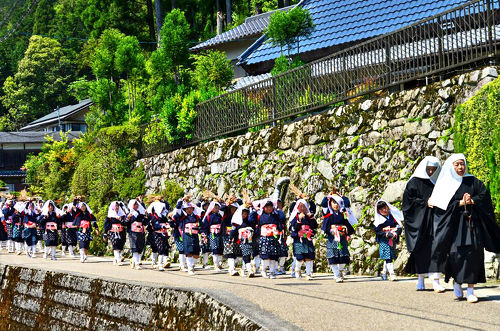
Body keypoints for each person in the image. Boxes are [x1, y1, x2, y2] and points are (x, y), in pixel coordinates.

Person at [428, 154, 500, 303]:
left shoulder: (473, 181)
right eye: (457, 164)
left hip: (472, 224)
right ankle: (457, 281)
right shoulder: (446, 184)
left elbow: (484, 196)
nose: (461, 167)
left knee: (474, 254)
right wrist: (459, 203)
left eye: (462, 164)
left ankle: (471, 290)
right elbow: (441, 208)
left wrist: (472, 200)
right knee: (456, 255)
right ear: (451, 166)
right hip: (454, 227)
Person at [402, 156, 444, 291]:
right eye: (428, 169)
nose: (431, 172)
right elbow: (408, 204)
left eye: (434, 169)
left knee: (437, 249)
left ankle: (436, 280)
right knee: (421, 250)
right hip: (420, 223)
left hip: (436, 221)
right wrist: (425, 202)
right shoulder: (414, 183)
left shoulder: (439, 182)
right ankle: (420, 278)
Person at [321, 195, 355, 282]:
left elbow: (347, 224)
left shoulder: (342, 215)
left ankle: (340, 271)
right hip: (333, 239)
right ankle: (336, 275)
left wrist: (346, 232)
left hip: (342, 238)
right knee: (333, 257)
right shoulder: (328, 215)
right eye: (334, 203)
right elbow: (326, 228)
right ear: (330, 204)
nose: (336, 205)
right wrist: (332, 231)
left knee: (343, 257)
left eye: (338, 203)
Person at [250, 199, 285, 279]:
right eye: (267, 207)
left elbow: (282, 219)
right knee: (265, 256)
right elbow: (251, 220)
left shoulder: (275, 215)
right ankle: (264, 270)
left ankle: (272, 272)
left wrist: (278, 209)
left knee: (273, 256)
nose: (269, 208)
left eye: (270, 207)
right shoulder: (260, 215)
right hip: (264, 238)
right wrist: (254, 211)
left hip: (273, 237)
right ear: (264, 207)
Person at [373, 200, 403, 281]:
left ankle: (383, 273)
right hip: (384, 240)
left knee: (390, 255)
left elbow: (399, 227)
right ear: (378, 211)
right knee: (388, 255)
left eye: (385, 207)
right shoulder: (378, 220)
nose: (384, 210)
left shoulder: (393, 217)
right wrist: (385, 233)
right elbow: (377, 231)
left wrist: (396, 233)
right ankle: (392, 274)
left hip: (392, 239)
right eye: (381, 209)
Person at [289, 199, 317, 280]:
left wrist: (311, 217)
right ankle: (297, 270)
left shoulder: (309, 216)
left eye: (304, 206)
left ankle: (308, 274)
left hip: (307, 239)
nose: (302, 208)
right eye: (300, 206)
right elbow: (293, 227)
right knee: (300, 257)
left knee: (309, 256)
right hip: (299, 239)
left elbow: (315, 226)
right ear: (297, 207)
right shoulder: (295, 216)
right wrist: (299, 220)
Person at [174, 198, 202, 275]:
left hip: (195, 235)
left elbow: (201, 226)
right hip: (186, 235)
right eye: (187, 209)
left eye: (190, 208)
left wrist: (202, 232)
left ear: (193, 209)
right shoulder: (182, 217)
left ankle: (192, 265)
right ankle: (190, 268)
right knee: (189, 251)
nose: (189, 210)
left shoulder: (196, 217)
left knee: (196, 254)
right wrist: (181, 201)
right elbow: (178, 209)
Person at [231, 204, 256, 277]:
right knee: (245, 254)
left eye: (246, 214)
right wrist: (231, 238)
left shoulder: (249, 221)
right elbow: (233, 231)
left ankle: (243, 269)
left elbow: (253, 222)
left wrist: (253, 210)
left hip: (250, 240)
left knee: (247, 254)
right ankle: (249, 269)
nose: (244, 215)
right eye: (243, 213)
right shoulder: (237, 222)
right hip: (241, 241)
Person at [202, 201, 225, 272]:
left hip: (220, 233)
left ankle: (220, 263)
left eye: (218, 208)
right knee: (215, 249)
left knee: (220, 248)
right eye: (216, 208)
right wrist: (205, 235)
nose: (217, 209)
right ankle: (216, 265)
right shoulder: (208, 216)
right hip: (212, 234)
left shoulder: (220, 216)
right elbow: (205, 226)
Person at [104, 201, 128, 266]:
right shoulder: (110, 216)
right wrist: (105, 233)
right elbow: (106, 224)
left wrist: (121, 220)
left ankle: (116, 258)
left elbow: (125, 223)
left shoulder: (122, 215)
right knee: (115, 245)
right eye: (115, 206)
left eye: (117, 206)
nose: (116, 207)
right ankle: (118, 260)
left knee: (121, 245)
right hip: (113, 232)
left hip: (121, 231)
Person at [149, 200, 170, 271]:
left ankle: (163, 262)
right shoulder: (154, 217)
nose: (162, 210)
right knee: (160, 248)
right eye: (161, 208)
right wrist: (163, 226)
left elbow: (167, 221)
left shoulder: (163, 217)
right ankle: (159, 264)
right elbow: (156, 226)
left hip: (163, 234)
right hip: (156, 234)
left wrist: (168, 224)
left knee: (165, 247)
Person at [126, 199, 147, 270]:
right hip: (132, 232)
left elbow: (145, 222)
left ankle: (134, 261)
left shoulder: (140, 213)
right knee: (134, 246)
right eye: (135, 204)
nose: (136, 206)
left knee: (140, 246)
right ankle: (137, 263)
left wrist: (146, 216)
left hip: (140, 231)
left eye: (137, 204)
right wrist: (128, 218)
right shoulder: (129, 214)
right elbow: (125, 223)